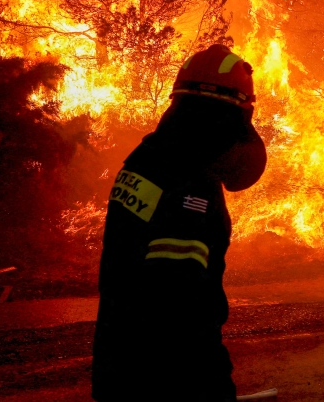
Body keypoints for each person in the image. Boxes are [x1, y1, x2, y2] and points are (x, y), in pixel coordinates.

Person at [92, 45, 267, 402]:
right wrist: (215, 385)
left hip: (119, 365)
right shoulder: (191, 184)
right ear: (232, 112)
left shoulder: (146, 160)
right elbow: (181, 306)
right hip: (165, 380)